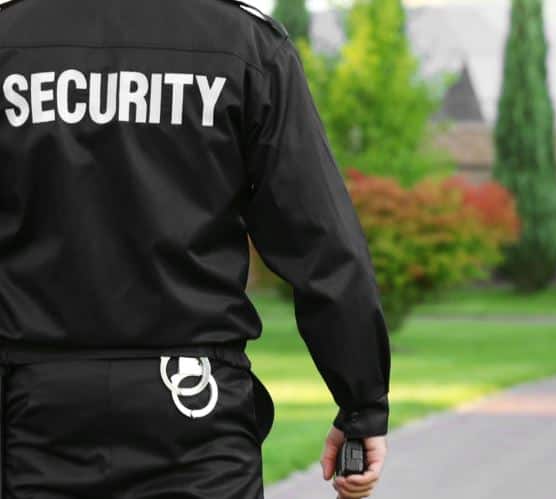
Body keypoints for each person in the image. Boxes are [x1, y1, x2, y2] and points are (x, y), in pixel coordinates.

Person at [0, 0, 391, 498]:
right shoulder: (242, 45)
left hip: (34, 416)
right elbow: (321, 242)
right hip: (196, 413)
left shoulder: (10, 40)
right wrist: (361, 405)